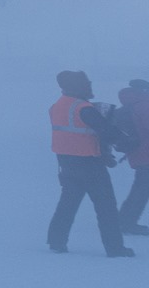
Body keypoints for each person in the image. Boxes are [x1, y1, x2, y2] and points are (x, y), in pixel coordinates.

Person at [46, 70, 133, 258]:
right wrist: (126, 142)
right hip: (89, 165)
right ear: (78, 86)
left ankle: (56, 241)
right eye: (87, 84)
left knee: (67, 204)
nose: (90, 86)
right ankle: (115, 248)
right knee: (106, 207)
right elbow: (107, 130)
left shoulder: (56, 106)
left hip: (66, 163)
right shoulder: (83, 108)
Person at [116, 78, 149, 237]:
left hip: (137, 153)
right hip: (146, 153)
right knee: (141, 190)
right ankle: (128, 223)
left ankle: (123, 220)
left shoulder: (132, 104)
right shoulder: (144, 104)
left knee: (140, 188)